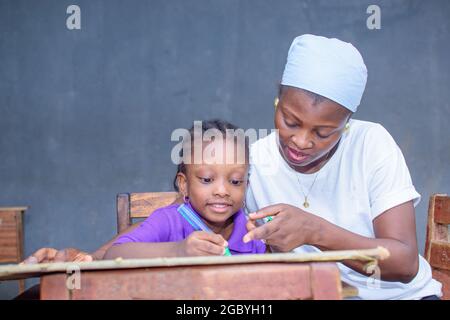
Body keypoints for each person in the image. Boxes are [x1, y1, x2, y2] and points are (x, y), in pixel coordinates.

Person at [241, 34, 442, 299]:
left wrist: (314, 231)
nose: (301, 142)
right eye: (290, 121)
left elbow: (404, 264)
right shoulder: (252, 163)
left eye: (323, 133)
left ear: (346, 125)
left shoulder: (370, 144)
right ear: (277, 102)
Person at [103, 119, 266, 259]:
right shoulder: (168, 221)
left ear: (247, 185)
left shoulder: (249, 233)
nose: (222, 191)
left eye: (236, 181)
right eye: (207, 179)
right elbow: (113, 255)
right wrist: (177, 250)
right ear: (184, 185)